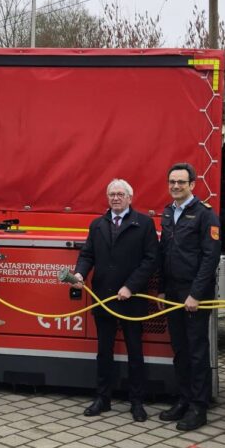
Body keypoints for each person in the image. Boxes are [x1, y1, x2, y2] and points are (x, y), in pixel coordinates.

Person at [69, 179, 159, 422]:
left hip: (132, 299)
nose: (116, 198)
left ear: (130, 197)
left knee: (135, 350)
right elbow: (88, 254)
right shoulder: (98, 224)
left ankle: (137, 402)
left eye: (120, 194)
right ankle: (103, 398)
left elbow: (151, 260)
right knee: (104, 351)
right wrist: (79, 273)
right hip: (104, 298)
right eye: (112, 194)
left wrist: (130, 286)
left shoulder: (144, 224)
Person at [157, 162, 220, 432]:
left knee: (196, 351)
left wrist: (195, 294)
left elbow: (211, 257)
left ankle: (199, 407)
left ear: (193, 184)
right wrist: (161, 288)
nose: (175, 186)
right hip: (172, 292)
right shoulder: (168, 212)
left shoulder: (205, 214)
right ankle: (183, 399)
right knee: (180, 349)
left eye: (181, 182)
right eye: (172, 182)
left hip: (195, 294)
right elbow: (164, 253)